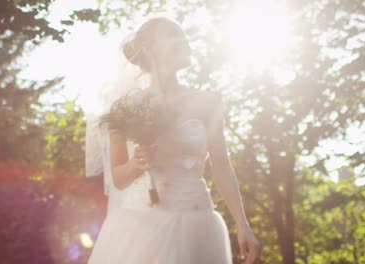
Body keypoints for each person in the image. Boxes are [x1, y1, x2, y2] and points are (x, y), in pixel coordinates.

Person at [86, 15, 261, 264]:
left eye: (184, 36)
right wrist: (137, 164)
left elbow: (221, 165)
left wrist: (243, 225)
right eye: (173, 35)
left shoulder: (207, 103)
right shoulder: (125, 108)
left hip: (198, 223)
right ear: (150, 49)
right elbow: (119, 178)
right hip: (141, 227)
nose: (184, 41)